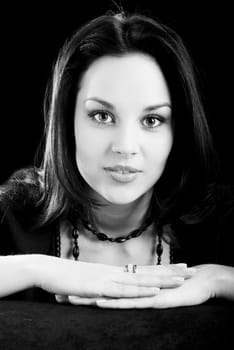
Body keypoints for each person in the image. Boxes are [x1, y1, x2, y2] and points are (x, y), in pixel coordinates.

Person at [0, 9, 234, 309]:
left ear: (179, 130)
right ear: (67, 121)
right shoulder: (17, 213)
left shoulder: (218, 220)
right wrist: (35, 269)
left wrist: (219, 280)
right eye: (102, 115)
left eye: (151, 120)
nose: (125, 147)